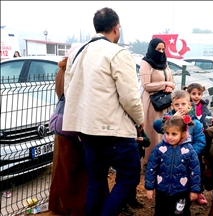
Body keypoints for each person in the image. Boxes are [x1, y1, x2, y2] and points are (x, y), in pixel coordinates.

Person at [63, 7, 144, 216]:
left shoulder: (78, 53)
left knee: (97, 181)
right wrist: (140, 120)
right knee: (129, 176)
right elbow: (129, 97)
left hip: (87, 130)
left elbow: (69, 91)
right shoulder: (118, 53)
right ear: (116, 29)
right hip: (113, 130)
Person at [48, 47, 88, 216]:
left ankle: (59, 205)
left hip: (61, 129)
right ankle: (75, 207)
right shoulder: (71, 73)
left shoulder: (61, 71)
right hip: (73, 128)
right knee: (77, 169)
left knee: (61, 168)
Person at [153, 89, 207, 205]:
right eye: (177, 105)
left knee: (186, 183)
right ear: (172, 106)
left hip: (186, 162)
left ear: (189, 106)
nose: (180, 107)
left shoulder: (195, 123)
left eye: (183, 104)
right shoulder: (168, 119)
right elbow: (157, 126)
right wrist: (173, 118)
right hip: (168, 159)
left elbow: (200, 141)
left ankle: (186, 200)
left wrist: (190, 154)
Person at [145, 115, 201, 216]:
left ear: (183, 133)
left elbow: (195, 172)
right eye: (167, 133)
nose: (169, 137)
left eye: (174, 134)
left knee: (180, 212)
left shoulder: (189, 150)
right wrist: (149, 188)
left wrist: (194, 190)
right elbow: (151, 168)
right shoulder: (160, 148)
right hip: (162, 190)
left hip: (181, 191)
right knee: (161, 212)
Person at [140, 38, 175, 168]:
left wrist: (170, 86)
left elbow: (171, 80)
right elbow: (146, 85)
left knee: (166, 129)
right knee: (153, 132)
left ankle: (164, 159)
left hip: (165, 103)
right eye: (158, 49)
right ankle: (150, 161)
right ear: (152, 49)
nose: (161, 52)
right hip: (152, 104)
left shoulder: (165, 63)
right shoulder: (146, 63)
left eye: (162, 49)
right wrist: (164, 84)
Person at [121, 125, 150, 215]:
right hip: (124, 159)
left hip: (136, 158)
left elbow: (147, 142)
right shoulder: (123, 127)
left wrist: (143, 140)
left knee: (135, 179)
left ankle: (132, 199)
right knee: (125, 181)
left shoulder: (138, 127)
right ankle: (123, 204)